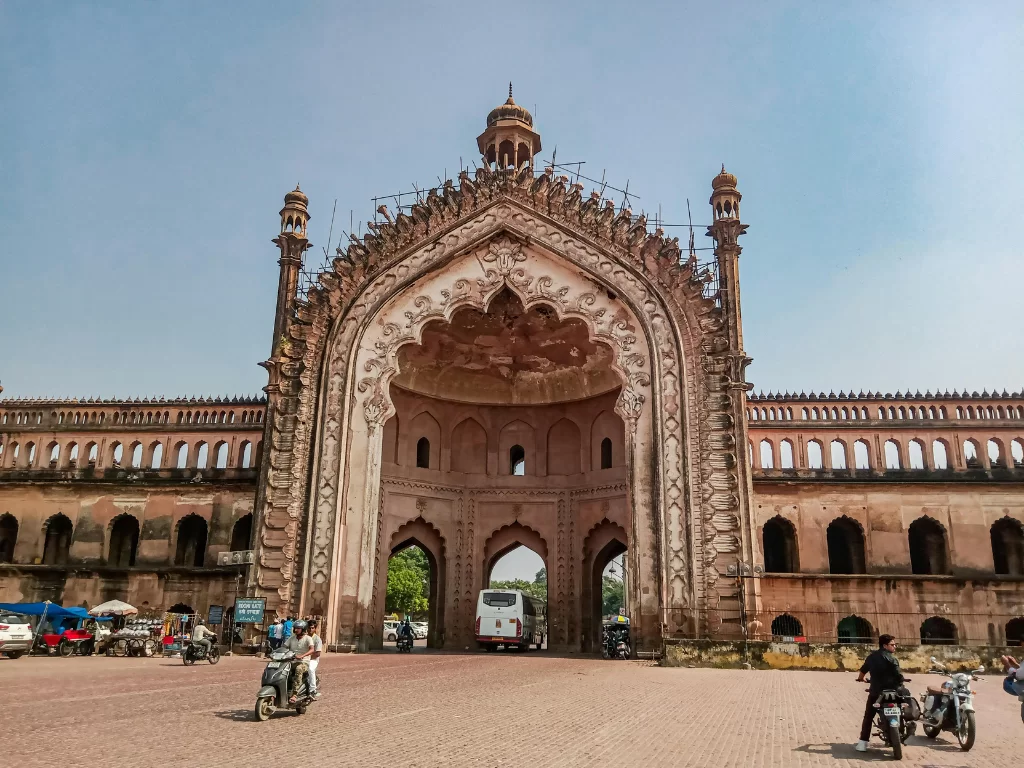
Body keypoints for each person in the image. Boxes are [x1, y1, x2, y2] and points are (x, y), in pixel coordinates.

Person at [854, 634, 906, 752]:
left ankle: (862, 743)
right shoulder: (893, 659)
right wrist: (901, 682)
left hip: (876, 692)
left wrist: (861, 678)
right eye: (892, 645)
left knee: (869, 716)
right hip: (894, 692)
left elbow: (863, 671)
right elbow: (899, 676)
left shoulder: (872, 657)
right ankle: (904, 727)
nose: (895, 647)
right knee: (904, 703)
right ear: (885, 645)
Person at [283, 620, 315, 704]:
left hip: (303, 662)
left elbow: (312, 649)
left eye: (298, 628)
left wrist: (302, 655)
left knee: (299, 669)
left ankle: (294, 694)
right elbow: (284, 647)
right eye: (295, 628)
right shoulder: (292, 638)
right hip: (291, 661)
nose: (296, 630)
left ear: (303, 629)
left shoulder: (308, 638)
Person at [307, 619, 323, 699]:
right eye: (309, 628)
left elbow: (317, 653)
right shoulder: (304, 637)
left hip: (312, 660)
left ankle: (313, 690)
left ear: (315, 629)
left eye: (312, 628)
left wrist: (307, 657)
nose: (310, 630)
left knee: (310, 669)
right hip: (303, 658)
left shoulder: (317, 639)